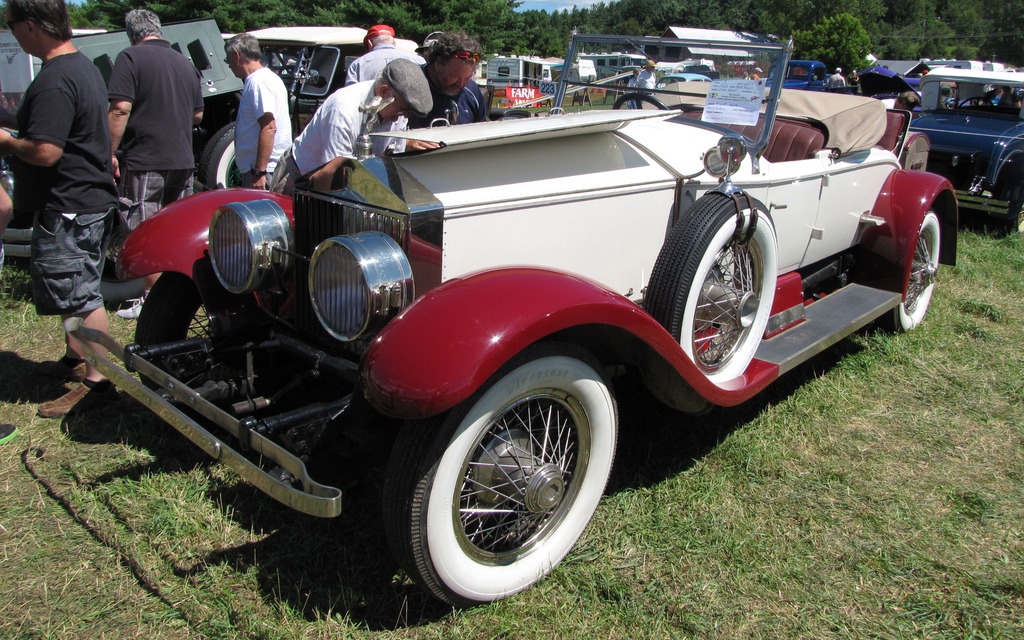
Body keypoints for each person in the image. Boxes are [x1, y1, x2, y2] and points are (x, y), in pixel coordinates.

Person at [0, 0, 119, 418]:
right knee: (71, 292)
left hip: (70, 204)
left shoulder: (55, 78)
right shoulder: (82, 67)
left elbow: (47, 151)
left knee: (81, 296)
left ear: (30, 26)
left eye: (11, 26)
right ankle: (75, 359)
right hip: (84, 200)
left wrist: (8, 142)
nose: (12, 33)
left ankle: (98, 383)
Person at [107, 9, 204, 319]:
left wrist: (109, 152)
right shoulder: (184, 63)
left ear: (132, 33)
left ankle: (152, 301)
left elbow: (120, 109)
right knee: (177, 230)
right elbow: (198, 115)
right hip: (183, 158)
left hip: (147, 158)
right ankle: (180, 301)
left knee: (143, 228)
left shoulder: (130, 57)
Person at [269, 58, 432, 196]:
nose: (403, 117)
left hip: (348, 178)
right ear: (383, 92)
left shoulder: (397, 109)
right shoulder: (344, 110)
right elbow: (337, 175)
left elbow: (389, 158)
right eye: (403, 109)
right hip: (302, 177)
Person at [225, 33, 291, 189]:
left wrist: (259, 172)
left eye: (228, 59)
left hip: (264, 170)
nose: (229, 65)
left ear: (236, 55)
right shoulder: (268, 78)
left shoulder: (258, 81)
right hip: (266, 167)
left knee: (262, 212)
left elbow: (269, 127)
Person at [408, 31, 487, 128]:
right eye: (454, 76)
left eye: (467, 78)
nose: (461, 84)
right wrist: (406, 141)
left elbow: (481, 130)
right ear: (438, 64)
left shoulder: (472, 91)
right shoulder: (408, 84)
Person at [345, 24, 425, 86]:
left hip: (372, 107)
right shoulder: (418, 61)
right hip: (409, 107)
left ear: (370, 43)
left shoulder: (357, 65)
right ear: (394, 43)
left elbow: (351, 95)